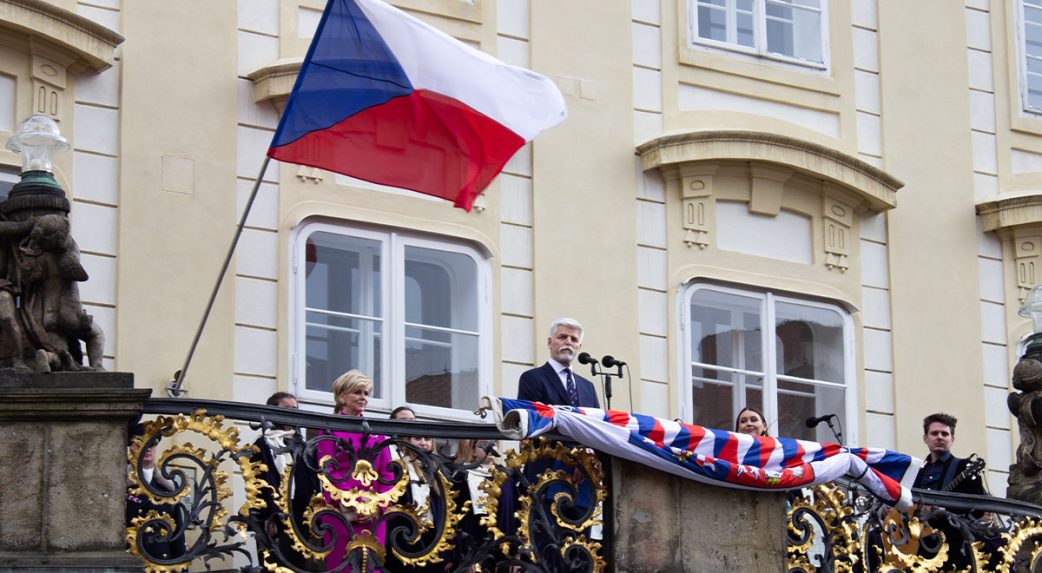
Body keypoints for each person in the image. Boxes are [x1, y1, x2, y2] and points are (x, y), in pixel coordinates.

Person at [317, 370, 394, 571]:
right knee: (342, 566)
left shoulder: (377, 432)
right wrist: (355, 505)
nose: (363, 398)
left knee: (373, 567)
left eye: (366, 393)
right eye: (357, 392)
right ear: (342, 396)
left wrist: (376, 506)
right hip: (342, 511)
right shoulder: (329, 428)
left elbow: (388, 474)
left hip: (374, 514)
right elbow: (329, 470)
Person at [249, 391, 319, 569]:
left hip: (298, 512)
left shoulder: (301, 446)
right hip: (273, 512)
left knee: (298, 563)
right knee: (273, 563)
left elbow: (311, 481)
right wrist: (269, 516)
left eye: (295, 409)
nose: (292, 412)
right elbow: (259, 482)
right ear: (274, 411)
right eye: (286, 409)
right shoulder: (262, 444)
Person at [126, 423, 187, 562]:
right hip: (129, 559)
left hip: (160, 560)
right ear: (131, 447)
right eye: (141, 443)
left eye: (152, 444)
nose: (148, 448)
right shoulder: (119, 485)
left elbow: (178, 532)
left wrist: (181, 565)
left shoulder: (169, 487)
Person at [518, 317, 599, 408]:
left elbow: (595, 421)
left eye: (574, 339)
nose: (568, 342)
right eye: (562, 337)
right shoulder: (532, 378)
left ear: (579, 348)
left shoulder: (588, 388)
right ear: (550, 343)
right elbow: (529, 417)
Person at [913, 413, 985, 495]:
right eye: (934, 433)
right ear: (925, 439)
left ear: (952, 439)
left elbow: (975, 503)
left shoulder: (963, 467)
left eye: (945, 434)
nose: (939, 437)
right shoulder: (916, 471)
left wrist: (949, 507)